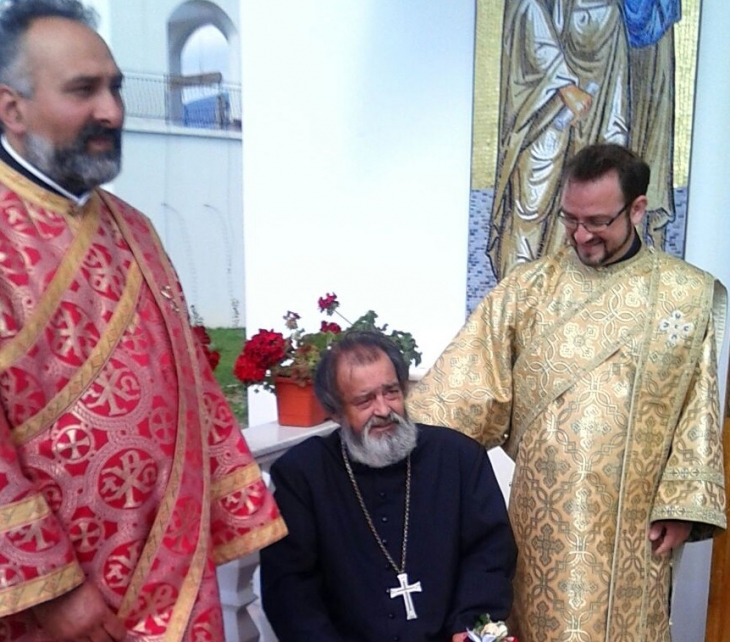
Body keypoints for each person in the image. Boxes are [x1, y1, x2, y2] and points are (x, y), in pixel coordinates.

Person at [0, 1, 286, 640]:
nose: (111, 111)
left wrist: (230, 506)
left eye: (116, 88)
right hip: (49, 605)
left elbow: (189, 385)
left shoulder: (134, 228)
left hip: (173, 568)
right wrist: (53, 591)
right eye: (83, 90)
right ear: (11, 108)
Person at [408, 144, 727, 642]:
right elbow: (460, 394)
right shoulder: (528, 290)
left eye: (597, 221)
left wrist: (681, 505)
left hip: (633, 528)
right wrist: (392, 448)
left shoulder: (685, 296)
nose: (580, 235)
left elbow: (698, 409)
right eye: (570, 219)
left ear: (637, 209)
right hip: (540, 528)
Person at [260, 331, 517, 642]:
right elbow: (290, 590)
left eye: (391, 392)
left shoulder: (458, 458)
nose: (383, 410)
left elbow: (490, 555)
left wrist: (470, 629)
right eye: (365, 400)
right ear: (335, 410)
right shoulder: (302, 476)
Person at [488, 0, 678, 280]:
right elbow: (526, 8)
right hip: (543, 93)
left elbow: (616, 117)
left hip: (604, 56)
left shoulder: (611, 18)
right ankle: (520, 295)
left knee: (596, 208)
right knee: (533, 202)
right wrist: (563, 83)